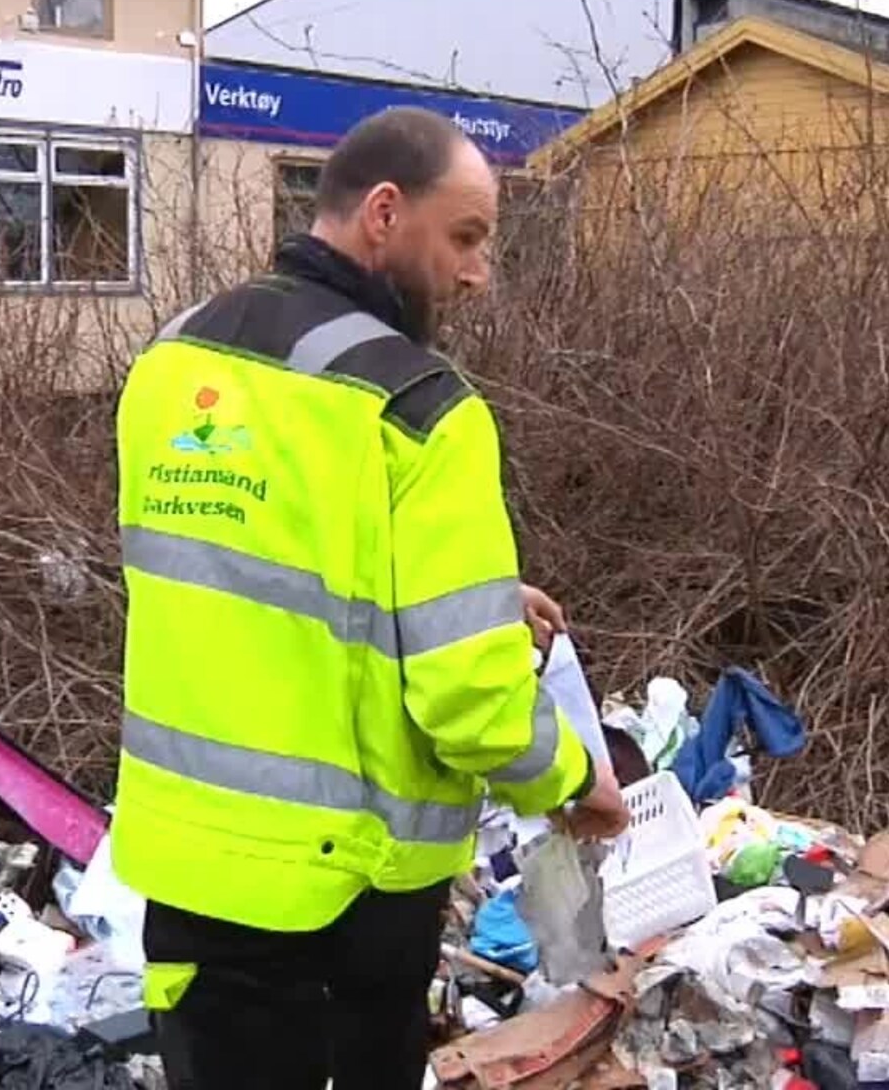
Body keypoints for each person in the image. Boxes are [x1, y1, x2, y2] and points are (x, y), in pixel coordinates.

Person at [109, 106, 631, 1090]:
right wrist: (569, 782)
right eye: (466, 237)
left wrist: (466, 593)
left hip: (186, 874)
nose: (477, 273)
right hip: (342, 899)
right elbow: (468, 701)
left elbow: (245, 562)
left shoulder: (170, 360)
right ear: (385, 214)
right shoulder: (418, 407)